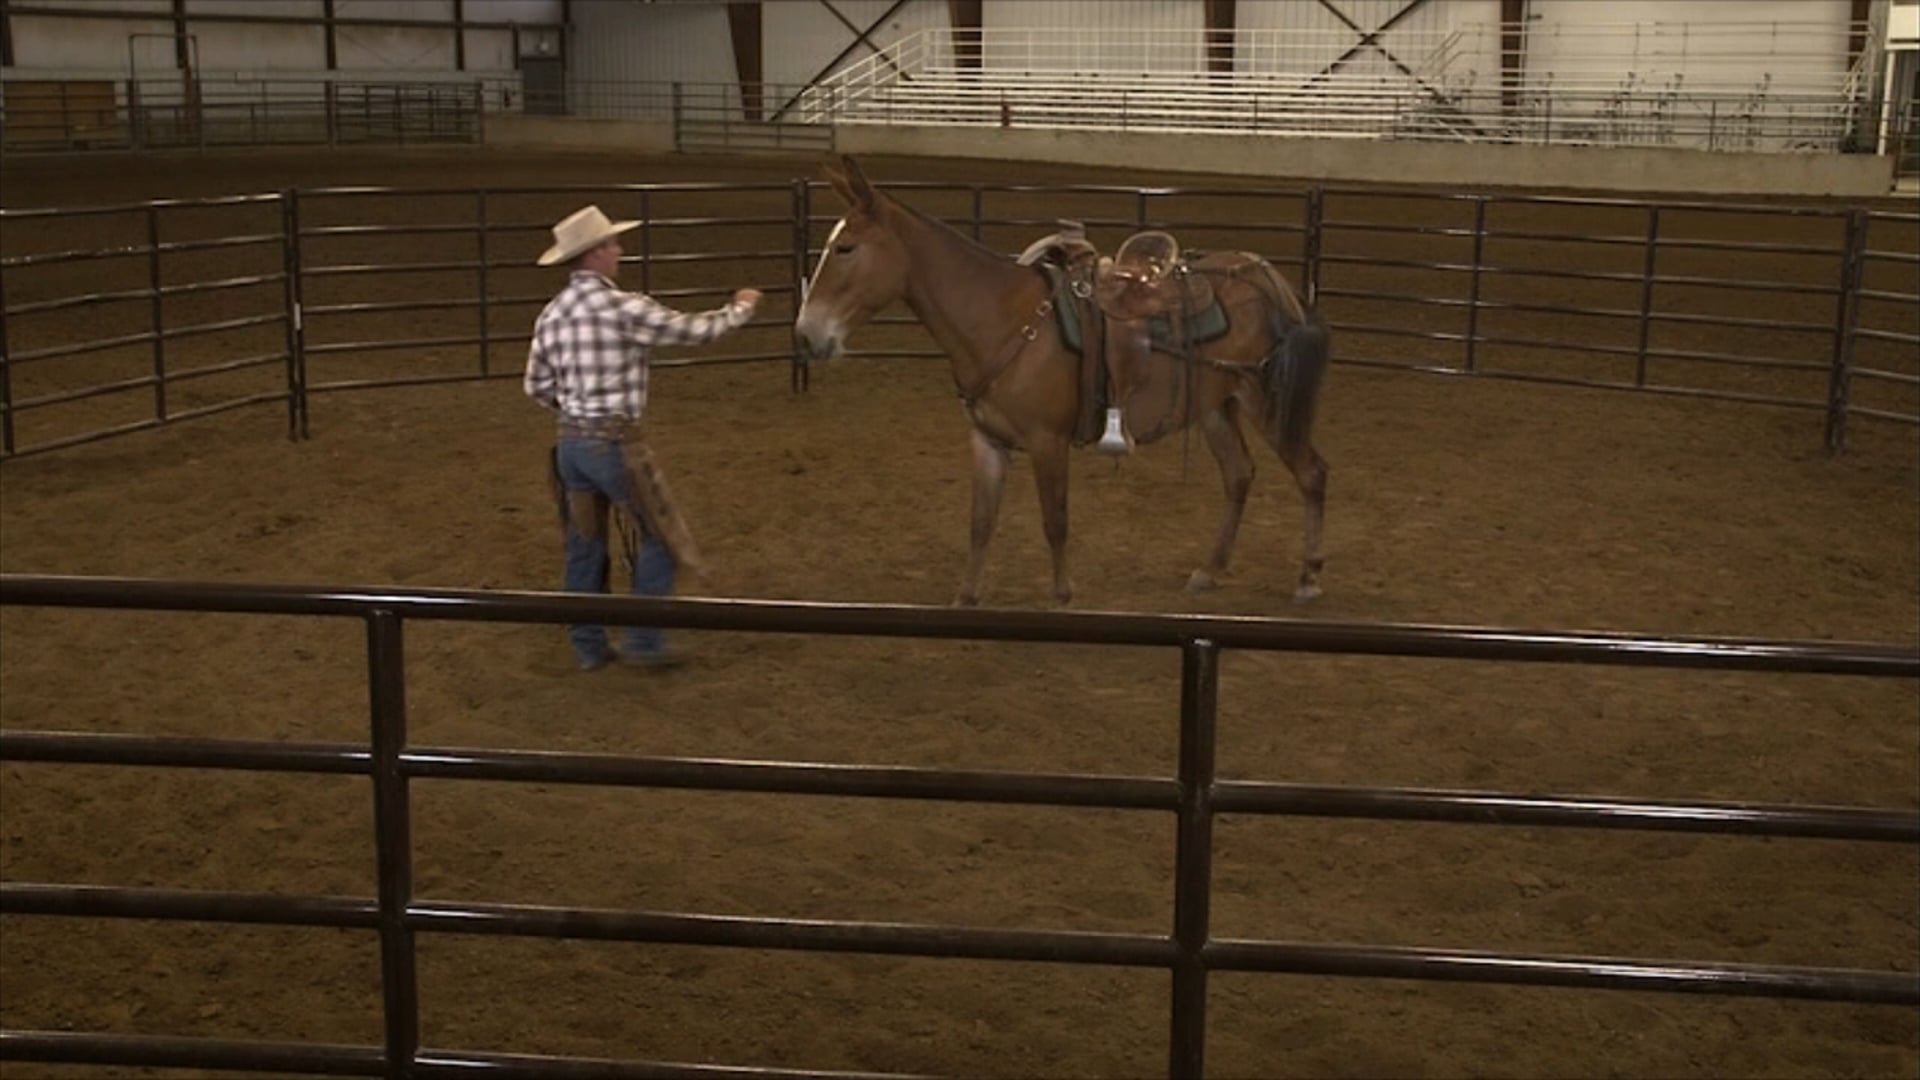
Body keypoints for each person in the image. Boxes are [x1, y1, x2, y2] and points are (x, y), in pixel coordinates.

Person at [524, 204, 761, 672]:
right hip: (615, 444)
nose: (619, 251)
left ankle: (588, 646)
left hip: (571, 446)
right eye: (612, 244)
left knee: (584, 545)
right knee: (661, 537)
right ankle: (643, 641)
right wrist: (741, 309)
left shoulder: (551, 315)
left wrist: (575, 410)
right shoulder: (623, 307)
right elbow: (694, 331)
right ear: (594, 254)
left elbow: (535, 385)